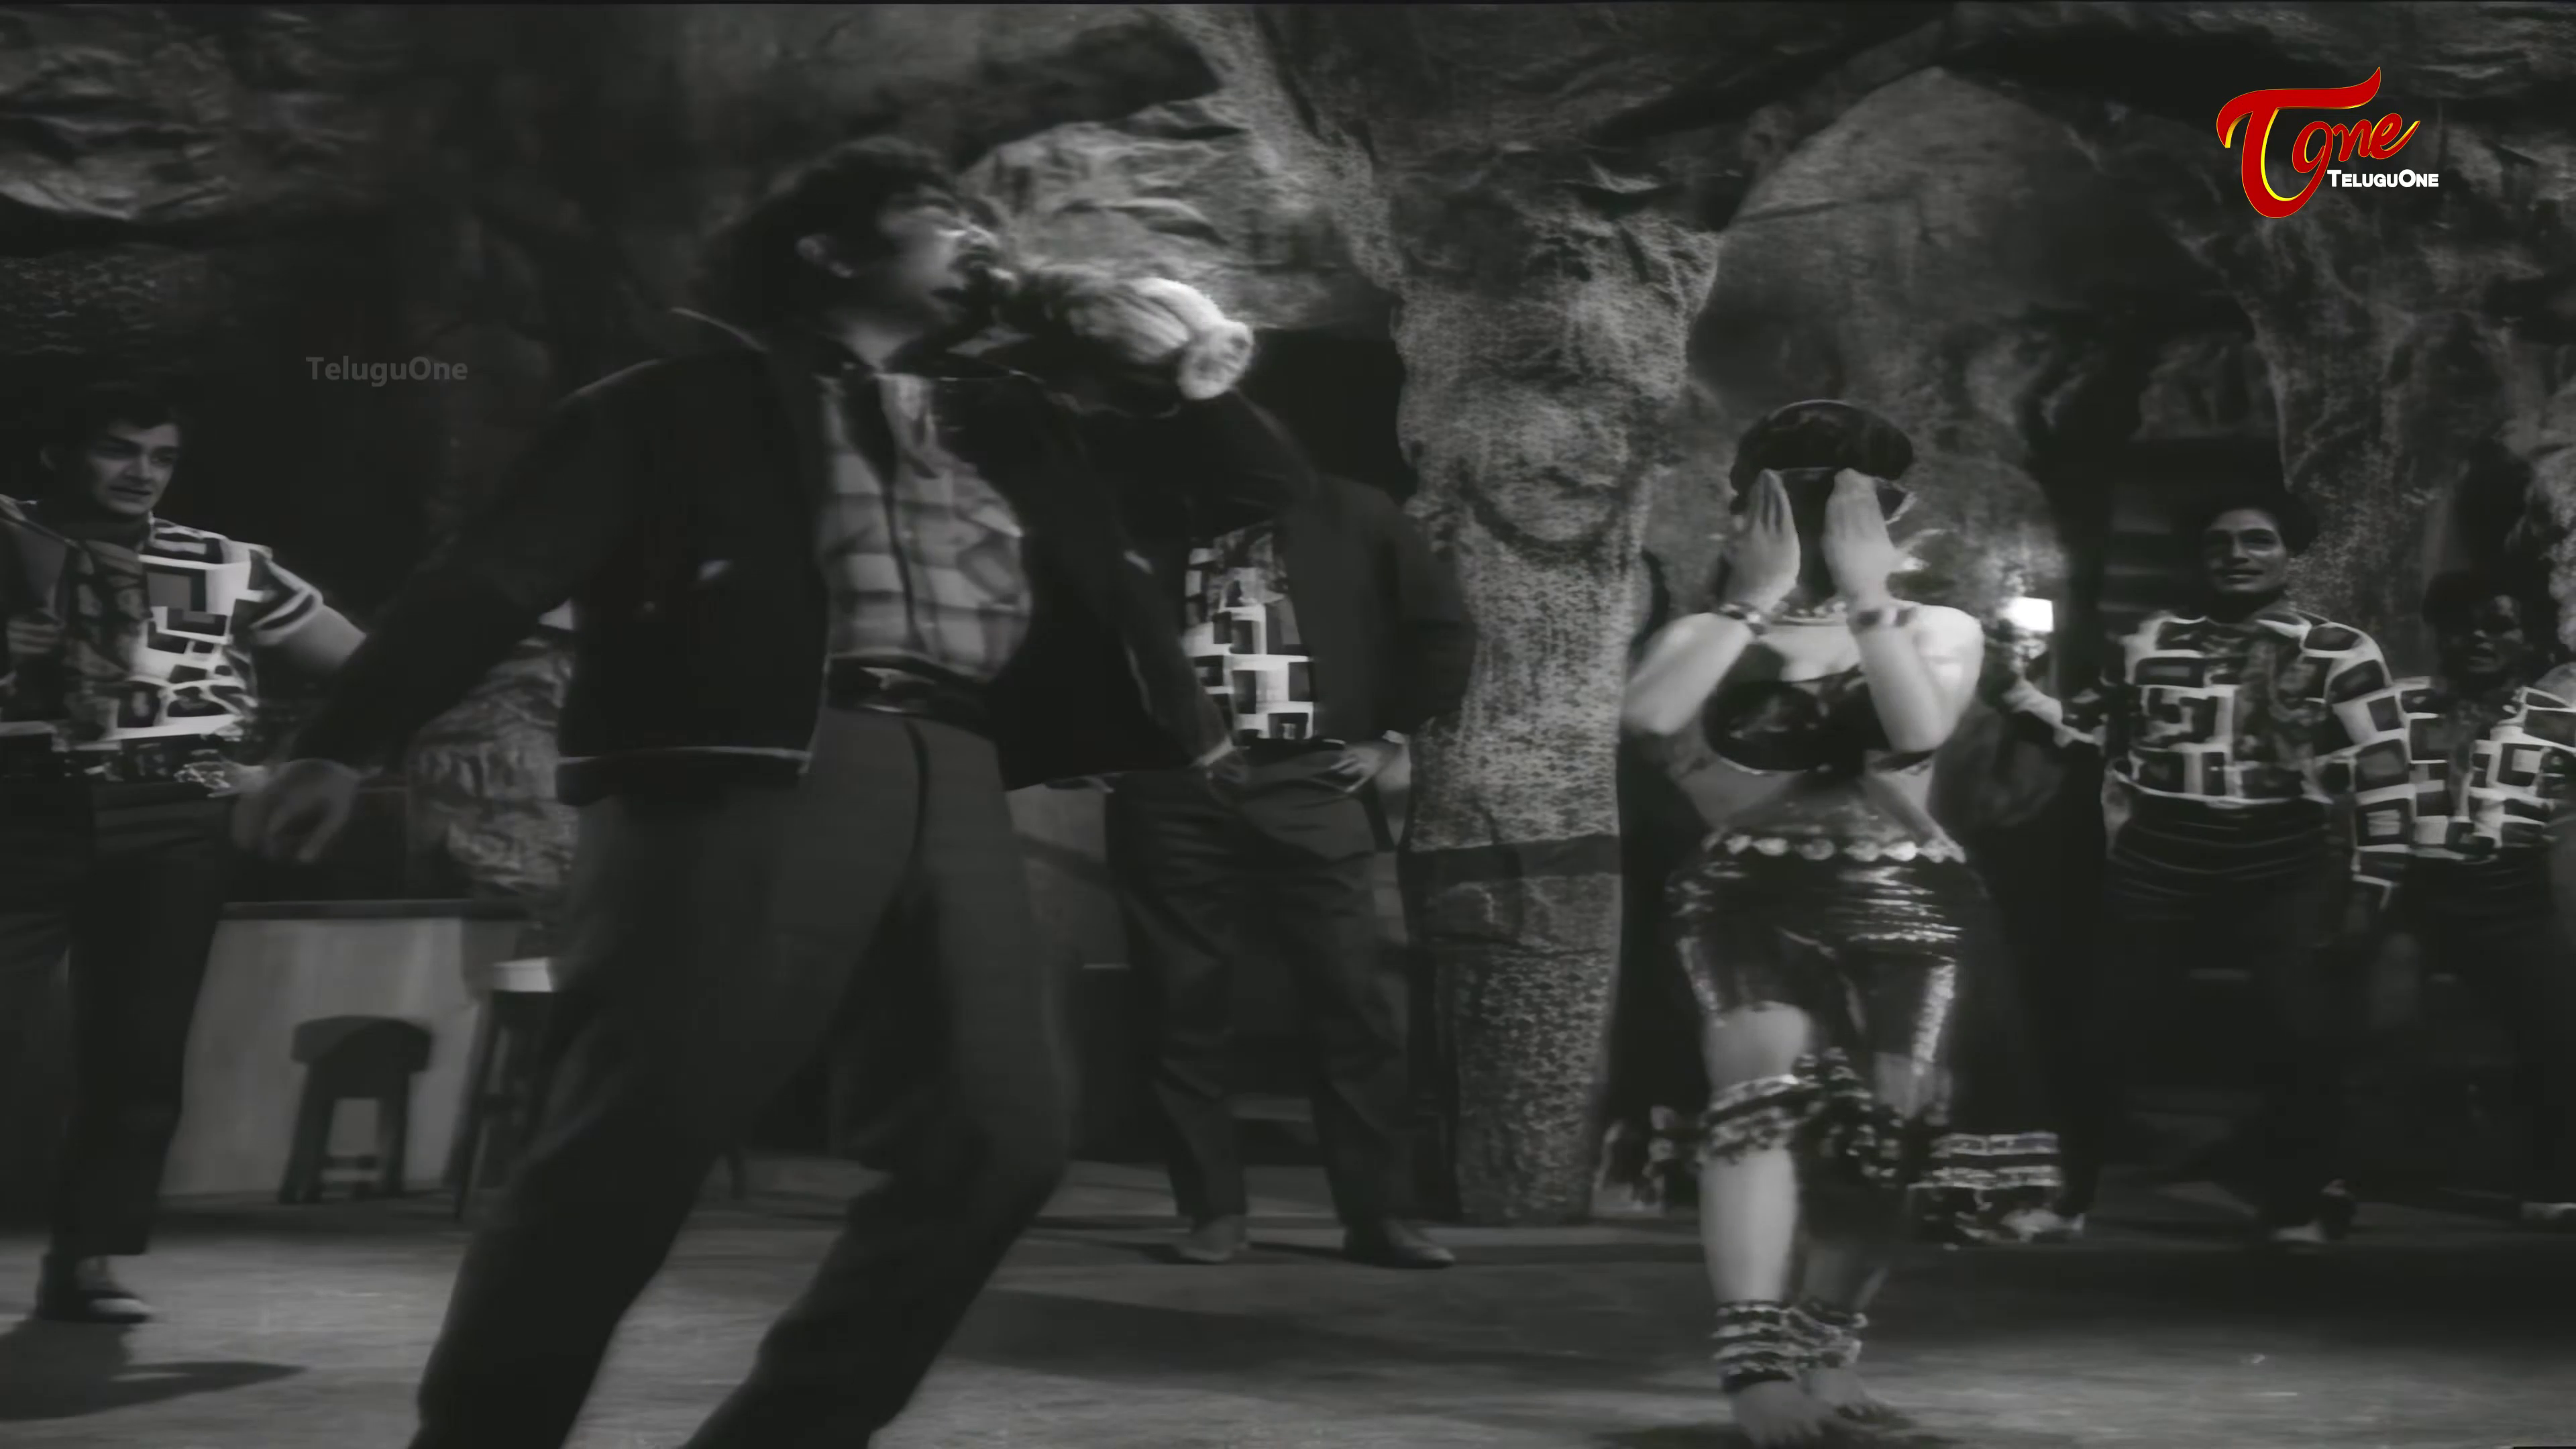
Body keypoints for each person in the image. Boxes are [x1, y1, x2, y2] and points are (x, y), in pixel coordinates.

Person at [234, 136, 1303, 1449]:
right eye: (938, 215)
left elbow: (1260, 490)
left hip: (957, 765)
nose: (977, 238)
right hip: (737, 769)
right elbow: (489, 577)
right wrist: (344, 741)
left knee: (1000, 1143)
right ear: (831, 251)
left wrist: (1182, 357)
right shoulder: (671, 405)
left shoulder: (1013, 418)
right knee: (629, 1144)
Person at [1621, 400, 2060, 1446]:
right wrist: (1753, 601)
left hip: (1909, 898)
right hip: (1746, 899)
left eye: (1841, 501)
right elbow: (1647, 717)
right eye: (1792, 498)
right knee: (1756, 1105)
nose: (1817, 522)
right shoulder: (1705, 635)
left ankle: (1826, 1347)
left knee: (1884, 1135)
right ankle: (1756, 1366)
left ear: (1888, 514)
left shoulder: (1937, 629)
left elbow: (1915, 727)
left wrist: (1867, 598)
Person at [1, 381, 363, 1323]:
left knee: (140, 1050)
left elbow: (367, 669)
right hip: (20, 806)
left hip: (173, 816)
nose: (142, 473)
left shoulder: (213, 562)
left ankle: (88, 1261)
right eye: (119, 449)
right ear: (59, 454)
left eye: (161, 457)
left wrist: (292, 765)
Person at [1096, 403, 1474, 1268]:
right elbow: (1084, 632)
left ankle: (1378, 1214)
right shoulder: (1145, 517)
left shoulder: (1352, 512)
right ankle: (1213, 1211)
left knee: (1351, 1002)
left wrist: (1391, 734)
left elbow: (1442, 629)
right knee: (1180, 1001)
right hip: (1173, 786)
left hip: (1309, 777)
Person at [1992, 488, 2411, 1247]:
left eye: (2257, 540)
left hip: (2284, 855)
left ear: (2289, 554)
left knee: (2303, 1032)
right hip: (2162, 855)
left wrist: (2371, 888)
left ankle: (2298, 1202)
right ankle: (2066, 1195)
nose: (2237, 556)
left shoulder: (2342, 650)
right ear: (2198, 557)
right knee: (2101, 1032)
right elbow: (2086, 728)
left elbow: (2386, 773)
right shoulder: (2150, 641)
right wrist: (2016, 687)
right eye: (2220, 543)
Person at [2381, 570, 2576, 1230]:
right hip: (2407, 894)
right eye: (2462, 625)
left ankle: (2553, 1177)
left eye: (2498, 625)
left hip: (2510, 898)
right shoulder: (2394, 706)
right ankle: (2335, 1169)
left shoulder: (2559, 720)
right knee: (2366, 1018)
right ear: (2439, 633)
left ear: (2528, 638)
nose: (2479, 639)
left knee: (2561, 1030)